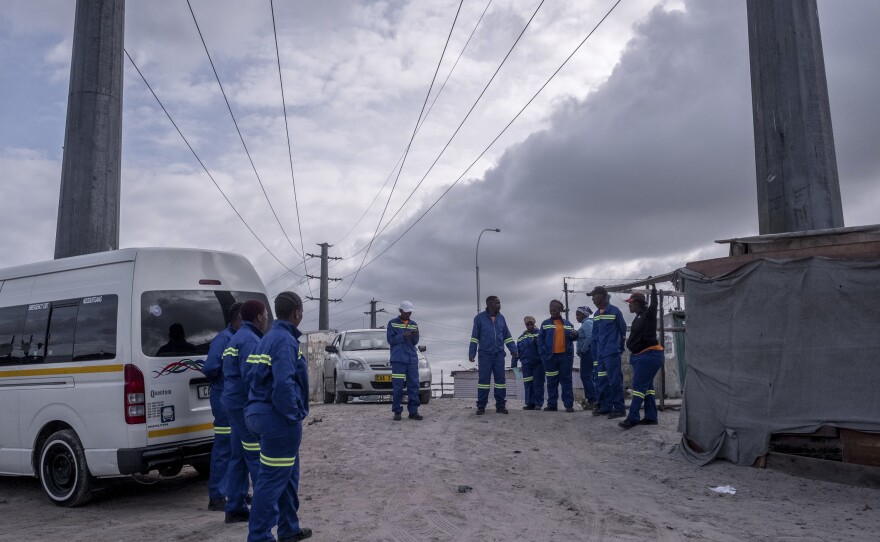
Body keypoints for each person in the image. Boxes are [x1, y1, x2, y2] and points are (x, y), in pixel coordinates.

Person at [245, 292, 312, 542]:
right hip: (277, 420)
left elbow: (251, 376)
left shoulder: (268, 337)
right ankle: (260, 537)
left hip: (260, 414)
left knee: (287, 477)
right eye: (301, 312)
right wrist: (292, 415)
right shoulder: (284, 340)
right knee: (271, 482)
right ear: (297, 313)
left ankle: (289, 529)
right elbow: (283, 383)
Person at [220, 300, 270, 523]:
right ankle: (263, 510)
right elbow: (252, 377)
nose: (268, 317)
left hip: (232, 403)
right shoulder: (250, 340)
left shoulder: (238, 336)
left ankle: (235, 507)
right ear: (259, 317)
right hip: (242, 405)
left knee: (238, 456)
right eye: (266, 314)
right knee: (255, 457)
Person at [201, 303, 242, 512]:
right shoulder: (224, 339)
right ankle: (217, 496)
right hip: (224, 399)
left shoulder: (238, 338)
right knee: (224, 447)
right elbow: (209, 368)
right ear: (239, 318)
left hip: (234, 400)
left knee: (238, 448)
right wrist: (224, 380)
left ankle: (235, 493)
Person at [619, 286, 664, 430]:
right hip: (642, 356)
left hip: (649, 355)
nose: (629, 305)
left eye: (631, 303)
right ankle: (651, 417)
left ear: (637, 303)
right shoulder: (638, 317)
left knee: (638, 388)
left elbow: (654, 305)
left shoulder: (648, 314)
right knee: (647, 388)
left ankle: (632, 418)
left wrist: (654, 291)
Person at [468, 296, 518, 415]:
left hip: (499, 355)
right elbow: (474, 337)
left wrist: (513, 349)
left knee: (500, 381)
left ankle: (500, 406)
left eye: (499, 303)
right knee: (483, 382)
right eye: (497, 303)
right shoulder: (479, 319)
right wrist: (472, 353)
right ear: (489, 304)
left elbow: (507, 336)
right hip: (485, 355)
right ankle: (481, 406)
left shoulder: (501, 318)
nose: (500, 305)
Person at [588, 286, 627, 419]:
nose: (592, 299)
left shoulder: (615, 311)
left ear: (602, 296)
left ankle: (619, 408)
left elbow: (622, 331)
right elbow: (594, 336)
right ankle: (605, 407)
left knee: (615, 381)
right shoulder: (596, 314)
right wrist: (595, 355)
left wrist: (618, 349)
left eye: (594, 296)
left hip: (611, 353)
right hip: (600, 354)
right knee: (602, 380)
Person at [537, 300, 578, 412]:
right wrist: (542, 353)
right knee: (551, 381)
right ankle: (552, 405)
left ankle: (568, 405)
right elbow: (540, 340)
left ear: (560, 310)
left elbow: (573, 337)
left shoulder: (568, 324)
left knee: (566, 380)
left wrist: (575, 334)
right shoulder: (545, 324)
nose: (552, 312)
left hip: (565, 357)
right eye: (551, 310)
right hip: (550, 358)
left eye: (554, 310)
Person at [387, 301, 423, 421]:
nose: (408, 315)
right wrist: (403, 336)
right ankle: (397, 411)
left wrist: (415, 335)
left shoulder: (414, 324)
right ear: (400, 311)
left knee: (414, 385)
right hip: (398, 360)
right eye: (406, 312)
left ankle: (413, 411)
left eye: (410, 312)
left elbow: (414, 342)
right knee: (398, 386)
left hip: (411, 359)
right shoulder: (392, 323)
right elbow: (390, 340)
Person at [516, 316, 545, 410]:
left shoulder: (540, 334)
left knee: (538, 384)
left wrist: (538, 342)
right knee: (528, 384)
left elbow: (545, 348)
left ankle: (538, 404)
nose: (529, 326)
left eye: (531, 323)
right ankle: (529, 403)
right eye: (527, 324)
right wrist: (514, 368)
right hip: (526, 366)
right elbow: (516, 353)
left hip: (538, 364)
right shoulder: (520, 338)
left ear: (534, 323)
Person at [575, 306, 598, 410]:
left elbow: (590, 337)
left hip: (587, 352)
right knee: (589, 375)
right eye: (576, 314)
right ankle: (594, 399)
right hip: (588, 353)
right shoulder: (587, 323)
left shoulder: (587, 323)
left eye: (578, 314)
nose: (577, 317)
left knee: (585, 376)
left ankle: (592, 400)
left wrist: (582, 350)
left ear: (584, 314)